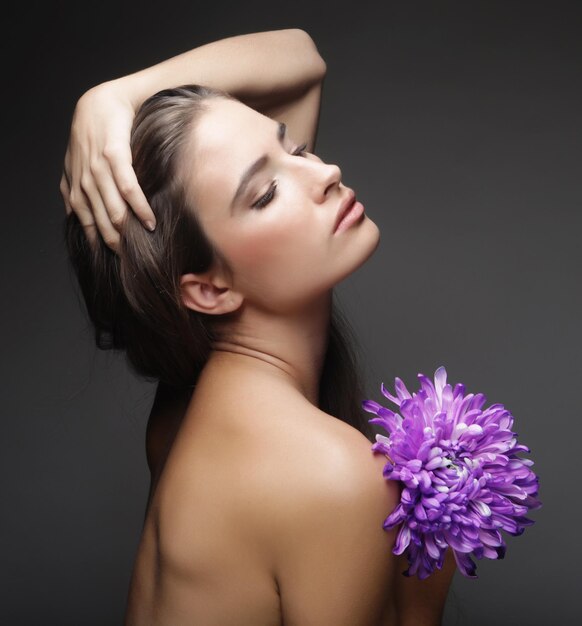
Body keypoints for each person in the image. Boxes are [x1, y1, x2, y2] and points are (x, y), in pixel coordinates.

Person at [60, 28, 456, 626]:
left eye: (293, 149)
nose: (323, 172)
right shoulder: (331, 476)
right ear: (209, 289)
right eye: (267, 193)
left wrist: (114, 99)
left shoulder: (187, 410)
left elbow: (301, 61)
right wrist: (425, 590)